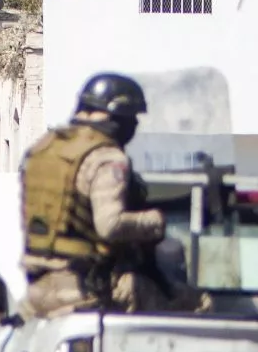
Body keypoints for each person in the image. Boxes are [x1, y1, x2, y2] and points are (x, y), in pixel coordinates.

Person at [18, 72, 202, 319]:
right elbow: (110, 225)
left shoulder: (42, 150)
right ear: (118, 115)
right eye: (132, 118)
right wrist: (155, 222)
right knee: (198, 304)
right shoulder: (106, 157)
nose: (134, 125)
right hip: (90, 292)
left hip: (38, 293)